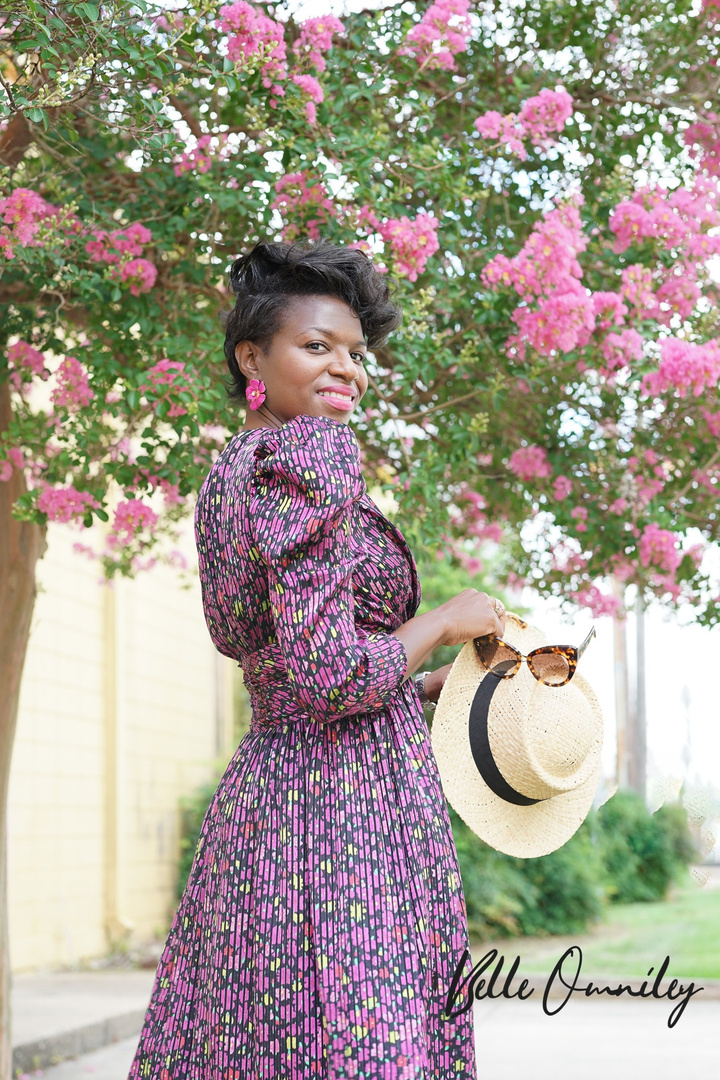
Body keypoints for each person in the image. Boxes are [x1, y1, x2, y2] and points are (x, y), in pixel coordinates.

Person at [128, 239, 507, 1079]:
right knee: (363, 1044)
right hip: (346, 817)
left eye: (356, 352)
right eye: (317, 346)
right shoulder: (307, 457)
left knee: (268, 1044)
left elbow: (296, 665)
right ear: (251, 356)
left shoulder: (234, 468)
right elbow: (331, 676)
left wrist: (420, 689)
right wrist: (444, 618)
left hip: (274, 803)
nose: (348, 369)